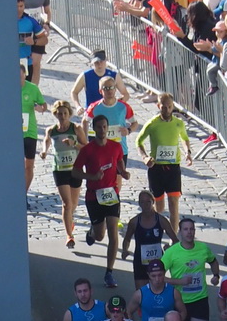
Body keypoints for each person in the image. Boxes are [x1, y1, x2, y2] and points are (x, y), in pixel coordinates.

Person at [76, 114, 129, 288]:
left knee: (113, 232)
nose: (102, 130)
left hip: (111, 194)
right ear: (94, 128)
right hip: (94, 196)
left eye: (105, 127)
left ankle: (109, 272)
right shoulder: (87, 150)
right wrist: (91, 176)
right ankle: (92, 232)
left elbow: (119, 162)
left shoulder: (115, 146)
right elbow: (75, 172)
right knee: (100, 236)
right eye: (99, 127)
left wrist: (123, 172)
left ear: (108, 127)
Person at [135, 96, 193, 234]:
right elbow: (138, 141)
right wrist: (144, 157)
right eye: (163, 107)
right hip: (156, 169)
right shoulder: (152, 124)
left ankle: (174, 238)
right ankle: (157, 232)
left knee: (174, 204)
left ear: (173, 106)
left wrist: (187, 152)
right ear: (158, 106)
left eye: (169, 106)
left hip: (173, 169)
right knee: (159, 207)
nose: (166, 109)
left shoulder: (179, 123)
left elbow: (184, 139)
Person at [161, 218, 220, 321]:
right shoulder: (171, 252)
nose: (189, 232)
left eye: (192, 229)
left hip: (200, 300)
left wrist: (216, 275)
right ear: (180, 232)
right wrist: (179, 281)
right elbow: (158, 276)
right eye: (185, 229)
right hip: (179, 301)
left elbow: (213, 261)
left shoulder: (203, 248)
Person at [42, 99, 84, 246]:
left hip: (75, 169)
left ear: (69, 114)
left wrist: (74, 144)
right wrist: (44, 151)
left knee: (74, 203)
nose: (62, 116)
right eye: (59, 114)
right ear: (55, 114)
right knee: (66, 204)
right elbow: (46, 140)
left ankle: (69, 222)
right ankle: (69, 236)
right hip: (60, 170)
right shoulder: (51, 130)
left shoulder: (76, 129)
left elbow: (87, 148)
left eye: (65, 113)